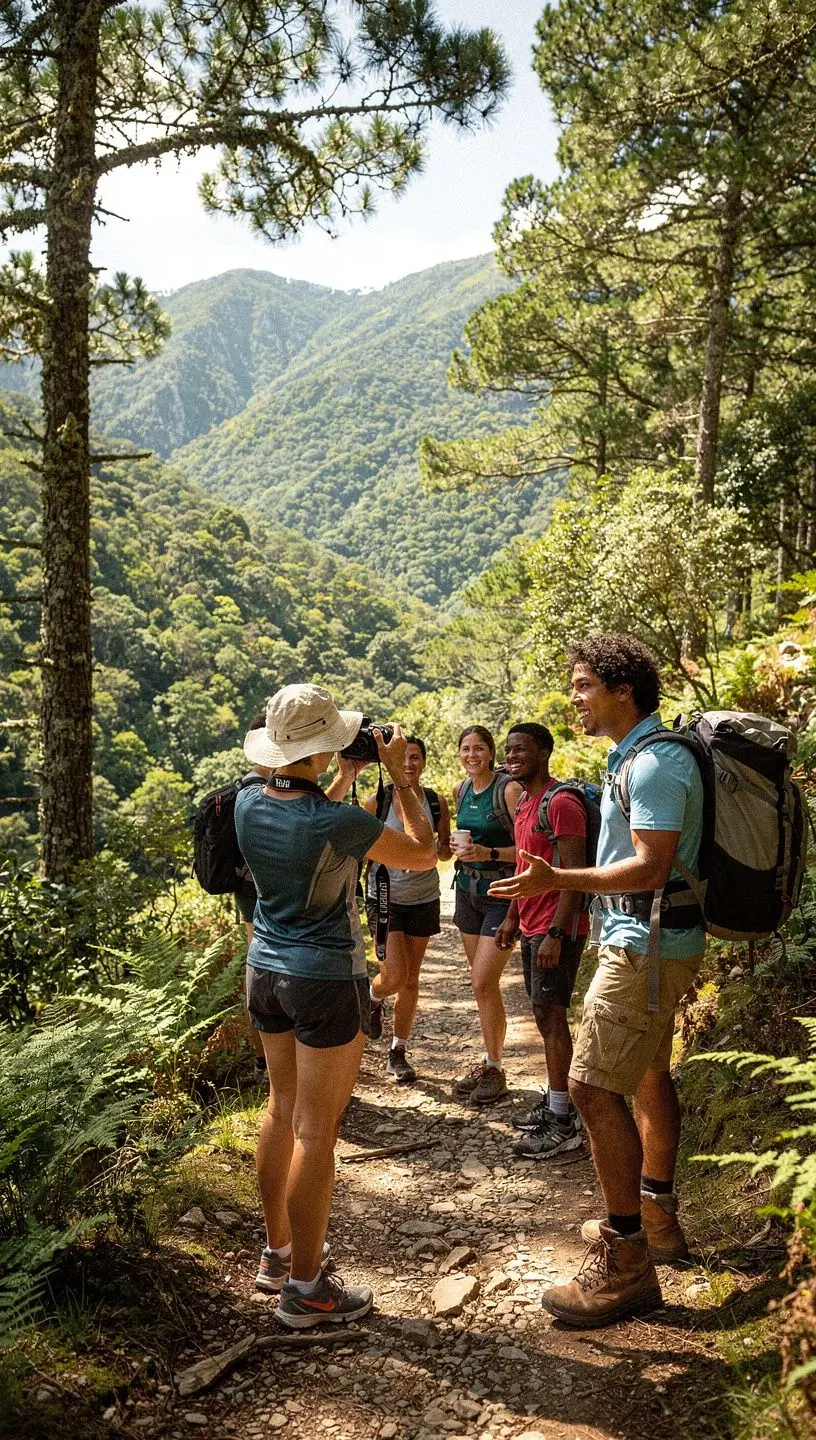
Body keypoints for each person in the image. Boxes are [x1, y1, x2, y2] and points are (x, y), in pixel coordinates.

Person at [490, 634, 705, 1328]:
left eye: (583, 685)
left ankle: (626, 1261)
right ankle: (656, 1218)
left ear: (622, 690)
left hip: (643, 942)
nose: (574, 698)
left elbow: (649, 866)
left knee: (589, 1085)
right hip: (644, 937)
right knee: (645, 1075)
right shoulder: (635, 756)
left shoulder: (656, 766)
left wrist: (558, 880)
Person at [235, 684, 436, 1329]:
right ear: (321, 747)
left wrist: (344, 772)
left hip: (265, 971)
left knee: (281, 1107)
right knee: (316, 1133)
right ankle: (307, 1288)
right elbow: (423, 851)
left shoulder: (245, 802)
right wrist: (402, 780)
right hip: (325, 978)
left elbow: (311, 831)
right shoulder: (337, 820)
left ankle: (276, 1255)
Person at [495, 723, 588, 1159]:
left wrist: (555, 932)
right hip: (533, 925)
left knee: (552, 1019)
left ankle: (562, 1121)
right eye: (508, 750)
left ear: (545, 752)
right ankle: (556, 1103)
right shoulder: (526, 803)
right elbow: (524, 869)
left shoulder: (562, 802)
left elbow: (575, 875)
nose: (512, 756)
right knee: (543, 1016)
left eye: (521, 750)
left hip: (557, 929)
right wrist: (513, 917)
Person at [363, 736, 452, 1084]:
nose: (410, 764)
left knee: (412, 980)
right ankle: (373, 995)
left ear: (425, 762)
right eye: (404, 757)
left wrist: (452, 848)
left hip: (423, 897)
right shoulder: (378, 801)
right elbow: (361, 849)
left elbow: (441, 852)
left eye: (416, 757)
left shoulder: (434, 801)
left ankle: (397, 1051)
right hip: (384, 897)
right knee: (395, 976)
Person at [451, 724, 522, 1106]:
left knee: (482, 982)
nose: (472, 755)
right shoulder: (461, 790)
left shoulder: (507, 790)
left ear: (491, 753)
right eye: (465, 748)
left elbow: (528, 848)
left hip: (501, 894)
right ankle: (489, 1062)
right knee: (483, 987)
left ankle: (496, 1067)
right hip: (468, 892)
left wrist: (489, 854)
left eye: (479, 748)